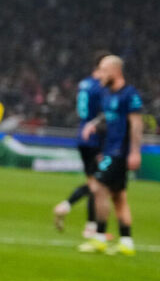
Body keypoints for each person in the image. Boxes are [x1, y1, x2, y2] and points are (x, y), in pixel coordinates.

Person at [78, 55, 143, 256]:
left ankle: (99, 237)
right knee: (118, 197)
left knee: (98, 187)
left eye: (104, 71)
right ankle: (126, 242)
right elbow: (106, 115)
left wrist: (134, 152)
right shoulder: (107, 94)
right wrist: (93, 124)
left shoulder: (129, 95)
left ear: (115, 71)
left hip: (120, 152)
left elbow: (136, 124)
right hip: (109, 150)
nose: (100, 76)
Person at [53, 53, 109, 235]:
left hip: (82, 134)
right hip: (95, 136)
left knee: (93, 182)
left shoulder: (84, 84)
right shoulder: (101, 87)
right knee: (99, 184)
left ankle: (90, 226)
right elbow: (107, 113)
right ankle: (68, 206)